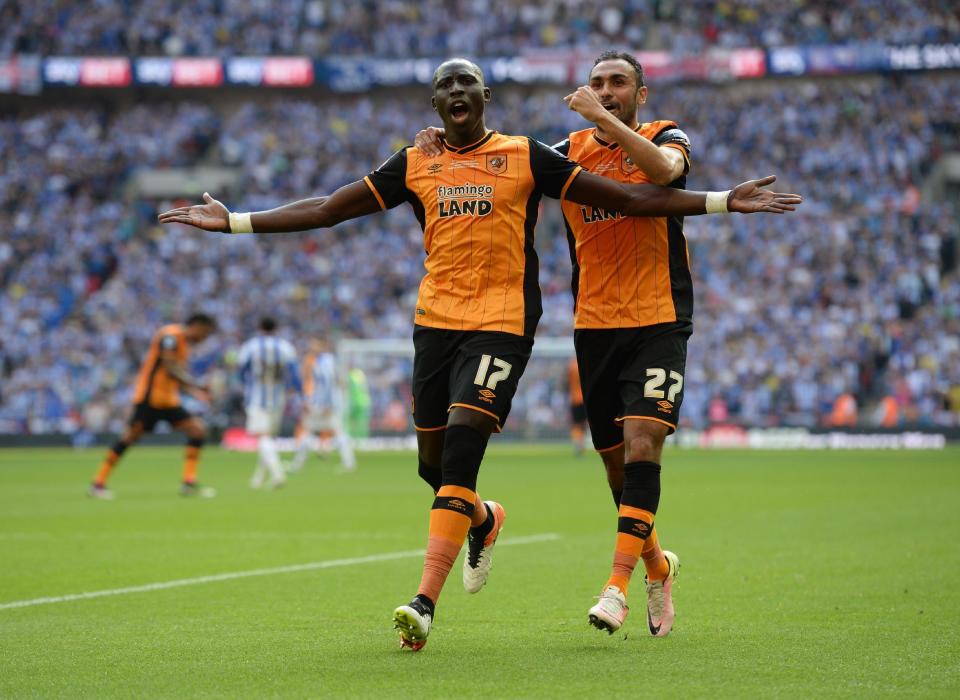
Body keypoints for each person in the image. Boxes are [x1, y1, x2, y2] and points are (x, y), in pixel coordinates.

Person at [158, 57, 801, 651]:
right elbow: (330, 208)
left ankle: (428, 603)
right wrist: (236, 220)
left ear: (486, 98)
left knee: (481, 446)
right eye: (446, 87)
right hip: (438, 322)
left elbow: (636, 195)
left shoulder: (528, 156)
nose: (457, 95)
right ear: (436, 103)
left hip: (511, 323)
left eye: (468, 85)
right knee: (433, 466)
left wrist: (721, 202)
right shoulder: (417, 161)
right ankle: (485, 520)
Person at [411, 50, 728, 638]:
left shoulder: (667, 134)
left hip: (660, 318)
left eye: (618, 84)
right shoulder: (562, 153)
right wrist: (447, 140)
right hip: (595, 324)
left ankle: (617, 589)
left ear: (641, 94)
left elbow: (661, 174)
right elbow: (496, 164)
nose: (606, 91)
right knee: (617, 473)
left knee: (642, 445)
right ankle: (658, 565)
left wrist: (601, 121)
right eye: (597, 84)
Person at [88, 313, 217, 499]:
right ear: (196, 326)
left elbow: (177, 376)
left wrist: (197, 393)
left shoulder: (183, 345)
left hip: (168, 400)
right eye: (205, 333)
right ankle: (98, 483)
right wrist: (196, 385)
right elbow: (170, 366)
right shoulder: (170, 336)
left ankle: (189, 483)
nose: (204, 338)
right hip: (150, 398)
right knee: (130, 437)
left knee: (197, 430)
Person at [238, 316, 302, 489]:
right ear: (276, 328)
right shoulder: (285, 347)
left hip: (257, 396)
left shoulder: (250, 346)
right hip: (278, 396)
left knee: (263, 437)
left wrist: (246, 387)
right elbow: (295, 374)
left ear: (259, 327)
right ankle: (258, 478)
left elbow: (242, 372)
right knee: (268, 437)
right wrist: (298, 392)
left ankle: (277, 474)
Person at [288, 338, 357, 473]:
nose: (311, 347)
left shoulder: (326, 362)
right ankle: (349, 463)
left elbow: (329, 384)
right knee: (332, 432)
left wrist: (328, 404)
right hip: (322, 403)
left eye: (315, 344)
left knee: (312, 431)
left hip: (324, 405)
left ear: (322, 345)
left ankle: (297, 464)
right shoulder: (321, 361)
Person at [568, 358, 586, 457]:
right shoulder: (587, 363)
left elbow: (567, 382)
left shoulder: (572, 365)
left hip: (575, 399)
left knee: (576, 424)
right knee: (584, 424)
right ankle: (581, 444)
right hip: (586, 399)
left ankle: (578, 445)